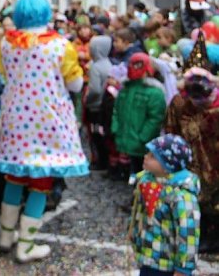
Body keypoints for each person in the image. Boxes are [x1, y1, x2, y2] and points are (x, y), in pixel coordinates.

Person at [0, 0, 87, 263]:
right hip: (47, 122)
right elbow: (75, 85)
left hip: (16, 120)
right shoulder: (60, 46)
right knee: (40, 182)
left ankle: (6, 236)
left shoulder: (6, 44)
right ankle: (27, 245)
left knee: (14, 177)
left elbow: (5, 74)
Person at [165, 33, 219, 252]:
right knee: (196, 199)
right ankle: (202, 233)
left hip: (215, 160)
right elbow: (171, 129)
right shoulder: (179, 103)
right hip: (192, 161)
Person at [129, 134, 200, 276]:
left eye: (152, 156)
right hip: (149, 257)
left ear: (168, 166)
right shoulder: (149, 180)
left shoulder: (181, 196)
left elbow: (189, 233)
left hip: (167, 265)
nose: (145, 157)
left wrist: (183, 269)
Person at [111, 54, 167, 183]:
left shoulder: (154, 92)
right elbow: (117, 110)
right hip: (127, 137)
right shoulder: (126, 88)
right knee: (135, 166)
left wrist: (143, 136)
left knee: (146, 168)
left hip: (142, 141)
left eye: (138, 65)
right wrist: (116, 127)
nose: (134, 69)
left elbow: (155, 118)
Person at [85, 35, 113, 171]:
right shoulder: (109, 63)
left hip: (95, 106)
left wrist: (88, 100)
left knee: (96, 135)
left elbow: (95, 89)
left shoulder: (95, 67)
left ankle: (101, 161)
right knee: (103, 134)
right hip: (105, 106)